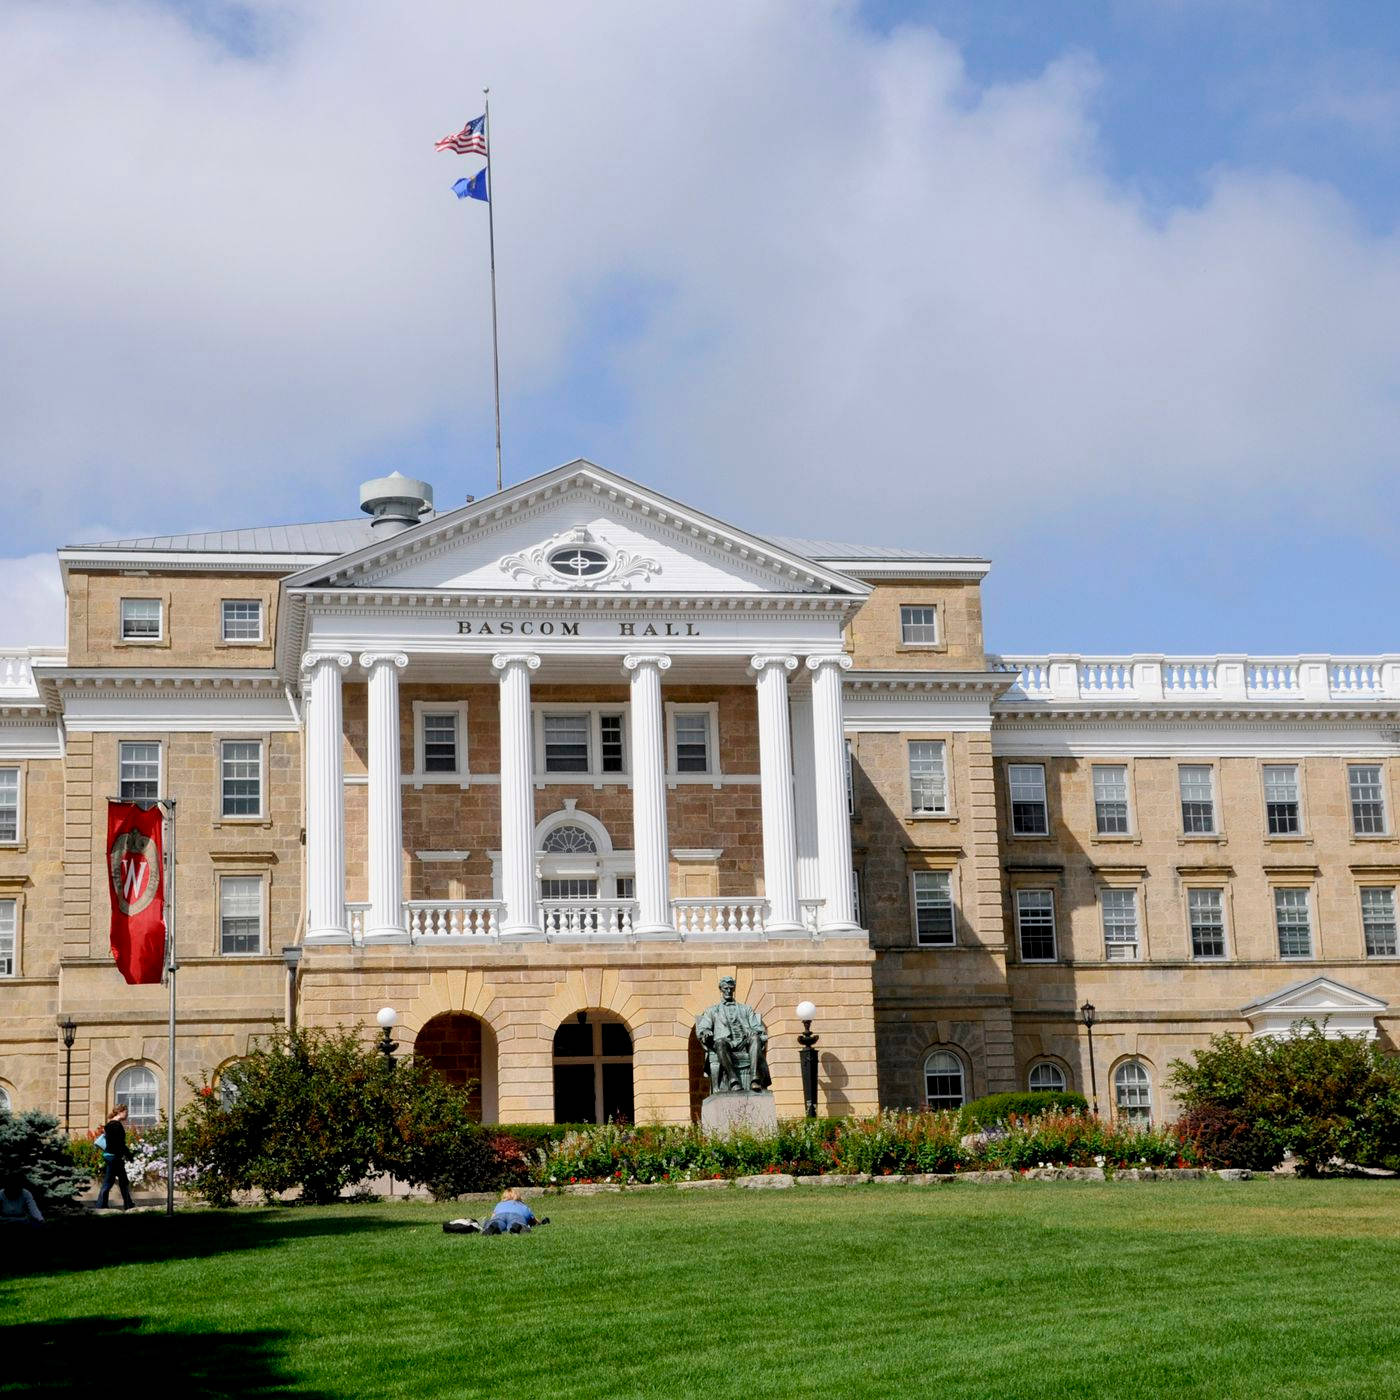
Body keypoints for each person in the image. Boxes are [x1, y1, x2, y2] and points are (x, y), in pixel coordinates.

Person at [443, 1187, 549, 1235]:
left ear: (504, 1197)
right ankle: (517, 1226)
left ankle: (493, 1227)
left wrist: (491, 1221)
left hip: (500, 1215)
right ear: (518, 1197)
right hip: (517, 1216)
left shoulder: (500, 1204)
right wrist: (541, 1222)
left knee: (496, 1221)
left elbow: (494, 1216)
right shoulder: (523, 1206)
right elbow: (535, 1220)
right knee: (517, 1221)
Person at [96, 1103, 134, 1211]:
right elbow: (120, 1144)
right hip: (115, 1157)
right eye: (126, 1112)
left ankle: (128, 1204)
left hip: (110, 1156)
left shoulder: (109, 1125)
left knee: (120, 1180)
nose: (127, 1114)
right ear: (120, 1112)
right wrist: (129, 1155)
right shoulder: (117, 1126)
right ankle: (101, 1205)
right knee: (111, 1182)